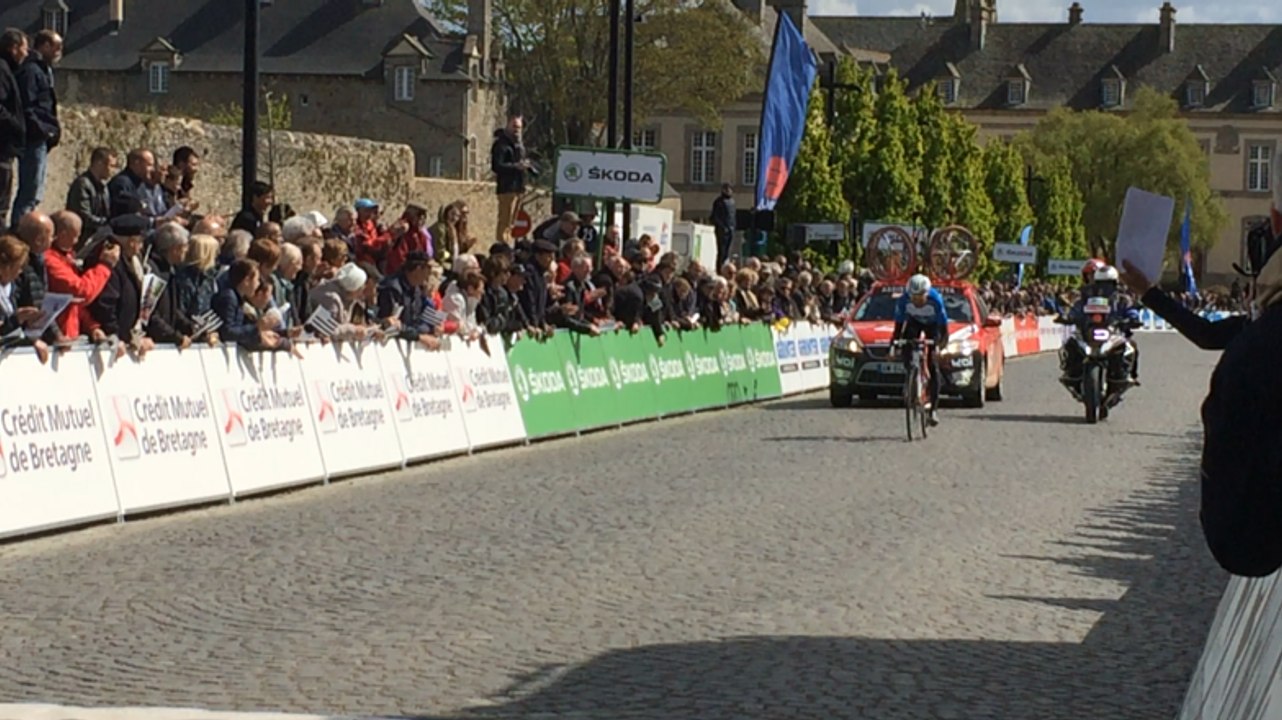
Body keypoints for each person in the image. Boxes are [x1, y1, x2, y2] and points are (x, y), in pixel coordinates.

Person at [1061, 265, 1141, 384]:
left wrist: (1132, 319)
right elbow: (1077, 308)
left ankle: (1128, 374)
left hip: (1114, 332)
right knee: (1071, 343)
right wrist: (1069, 316)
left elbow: (1130, 310)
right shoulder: (1086, 295)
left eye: (1108, 283)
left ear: (1115, 282)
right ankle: (1071, 372)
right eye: (1101, 283)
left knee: (1131, 346)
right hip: (1088, 331)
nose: (1104, 288)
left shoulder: (1122, 297)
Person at [891, 273, 948, 426]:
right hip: (913, 323)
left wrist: (939, 346)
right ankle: (910, 375)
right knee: (906, 344)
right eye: (913, 297)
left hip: (933, 326)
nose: (916, 301)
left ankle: (933, 410)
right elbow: (898, 327)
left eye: (919, 298)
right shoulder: (904, 301)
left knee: (933, 366)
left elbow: (944, 328)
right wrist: (894, 344)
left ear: (927, 294)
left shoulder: (936, 300)